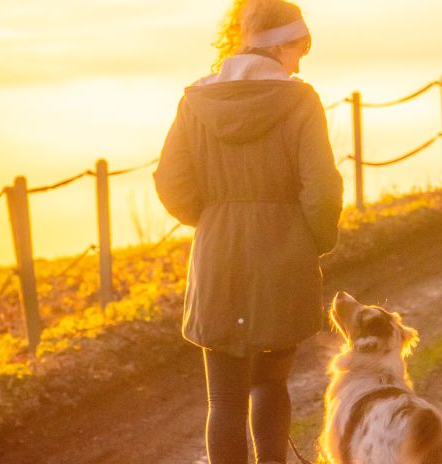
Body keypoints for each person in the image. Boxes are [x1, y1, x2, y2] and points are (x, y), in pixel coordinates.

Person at [152, 0, 343, 462]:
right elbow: (321, 190)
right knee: (271, 384)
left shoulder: (195, 100)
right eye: (301, 49)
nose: (300, 62)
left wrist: (217, 219)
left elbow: (170, 182)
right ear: (284, 45)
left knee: (224, 400)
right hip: (283, 258)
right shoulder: (300, 100)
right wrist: (312, 242)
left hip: (218, 258)